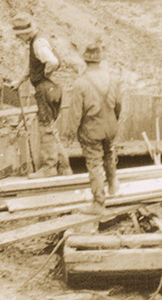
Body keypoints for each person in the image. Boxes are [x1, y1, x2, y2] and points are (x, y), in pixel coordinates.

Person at [60, 41, 124, 208]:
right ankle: (112, 186)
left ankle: (98, 201)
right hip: (110, 127)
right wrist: (113, 121)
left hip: (92, 130)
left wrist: (69, 136)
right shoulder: (113, 79)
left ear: (85, 61)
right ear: (100, 60)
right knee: (109, 153)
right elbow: (118, 106)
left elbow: (75, 114)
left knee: (94, 162)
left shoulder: (80, 83)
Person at [14, 16, 71, 175]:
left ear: (25, 33)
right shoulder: (36, 42)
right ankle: (64, 167)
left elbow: (52, 61)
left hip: (45, 89)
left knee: (45, 128)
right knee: (51, 128)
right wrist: (19, 81)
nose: (18, 38)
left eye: (19, 35)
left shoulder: (38, 43)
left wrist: (45, 75)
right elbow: (31, 67)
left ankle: (49, 168)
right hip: (51, 88)